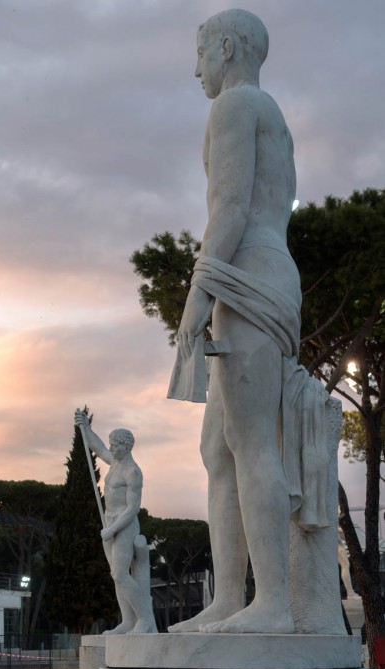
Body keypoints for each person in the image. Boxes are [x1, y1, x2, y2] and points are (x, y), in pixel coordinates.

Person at [168, 9, 305, 634]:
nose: (197, 68)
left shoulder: (234, 108)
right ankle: (229, 598)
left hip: (245, 280)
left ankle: (272, 602)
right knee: (217, 450)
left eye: (201, 54)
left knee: (250, 443)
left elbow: (229, 208)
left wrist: (198, 298)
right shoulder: (273, 114)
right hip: (263, 275)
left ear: (226, 47)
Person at [74, 410, 157, 634]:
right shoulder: (114, 463)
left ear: (127, 447)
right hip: (109, 522)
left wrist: (112, 529)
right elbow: (99, 448)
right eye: (112, 444)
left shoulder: (133, 472)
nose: (111, 449)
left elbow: (133, 509)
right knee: (116, 576)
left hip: (124, 525)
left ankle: (145, 618)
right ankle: (128, 621)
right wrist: (86, 428)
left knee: (120, 574)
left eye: (115, 446)